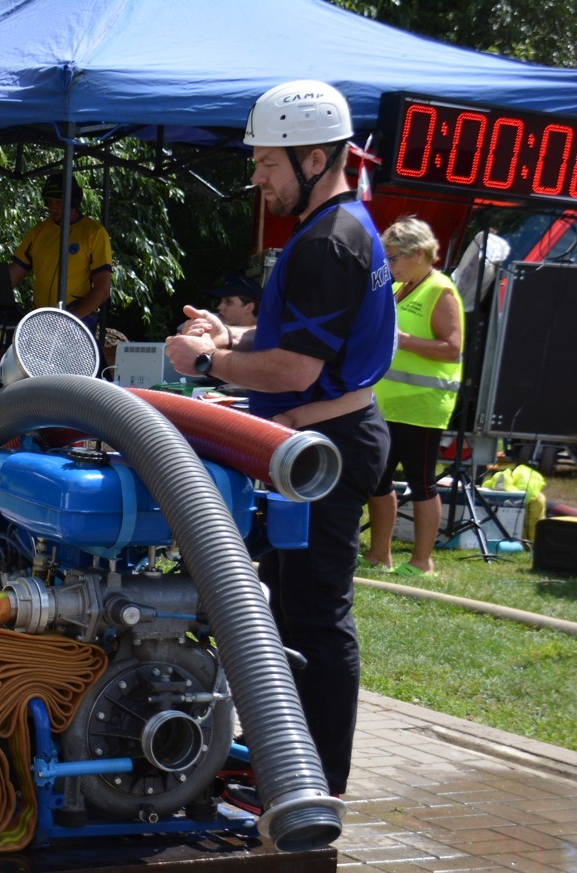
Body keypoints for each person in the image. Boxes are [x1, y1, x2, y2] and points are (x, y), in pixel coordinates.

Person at [165, 81, 392, 798]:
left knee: (314, 616)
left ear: (315, 159)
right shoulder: (339, 226)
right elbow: (297, 336)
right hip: (324, 437)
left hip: (326, 444)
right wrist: (231, 334)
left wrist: (207, 361)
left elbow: (296, 368)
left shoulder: (327, 242)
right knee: (289, 609)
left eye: (267, 163)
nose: (258, 179)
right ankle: (286, 767)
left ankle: (312, 783)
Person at [362, 216, 464, 576]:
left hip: (421, 406)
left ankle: (422, 562)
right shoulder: (398, 288)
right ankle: (380, 555)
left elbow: (452, 348)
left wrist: (404, 340)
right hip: (387, 403)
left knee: (421, 482)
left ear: (418, 254)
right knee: (378, 480)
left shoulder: (440, 289)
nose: (388, 264)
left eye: (393, 257)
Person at [9, 177, 113, 324]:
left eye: (58, 202)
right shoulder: (38, 231)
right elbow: (13, 275)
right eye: (49, 202)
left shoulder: (94, 233)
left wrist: (69, 320)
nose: (53, 207)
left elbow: (103, 289)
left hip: (77, 320)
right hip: (41, 319)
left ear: (73, 201)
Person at [182, 274, 261, 338]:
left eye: (228, 302)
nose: (219, 307)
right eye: (221, 301)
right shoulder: (207, 324)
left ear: (249, 308)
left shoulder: (264, 341)